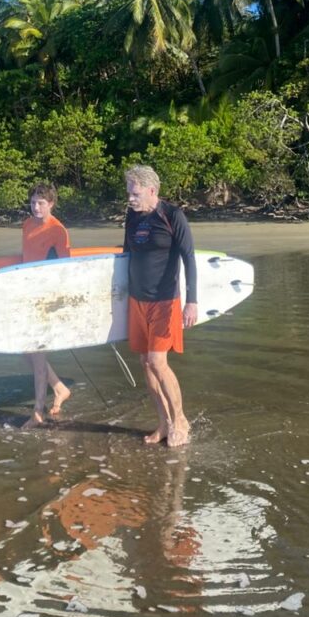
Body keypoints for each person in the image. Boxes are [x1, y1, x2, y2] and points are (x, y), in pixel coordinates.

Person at [123, 164, 198, 447]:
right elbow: (125, 254)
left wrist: (191, 301)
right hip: (137, 300)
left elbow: (189, 258)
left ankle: (181, 421)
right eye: (129, 192)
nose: (130, 198)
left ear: (151, 190)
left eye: (135, 192)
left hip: (165, 300)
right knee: (145, 363)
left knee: (158, 362)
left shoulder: (172, 215)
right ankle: (164, 423)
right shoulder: (132, 216)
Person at [21, 182, 72, 428]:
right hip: (28, 295)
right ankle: (60, 389)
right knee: (26, 350)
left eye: (41, 203)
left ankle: (38, 413)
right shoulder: (27, 225)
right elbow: (25, 260)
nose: (36, 207)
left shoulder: (58, 231)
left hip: (46, 299)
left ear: (51, 203)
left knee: (37, 354)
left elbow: (66, 269)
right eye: (33, 203)